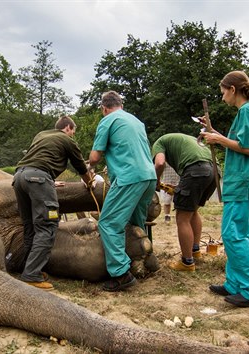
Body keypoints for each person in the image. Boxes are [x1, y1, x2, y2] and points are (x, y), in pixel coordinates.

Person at [201, 71, 249, 308]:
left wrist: (218, 140)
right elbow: (240, 142)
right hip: (247, 184)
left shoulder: (248, 111)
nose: (222, 98)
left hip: (244, 185)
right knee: (243, 235)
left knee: (232, 235)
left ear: (232, 89)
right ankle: (235, 284)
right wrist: (216, 135)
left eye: (222, 92)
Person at [13, 116, 95, 291]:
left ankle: (28, 268)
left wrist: (47, 179)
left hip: (20, 177)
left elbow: (40, 159)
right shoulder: (67, 140)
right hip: (38, 178)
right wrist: (89, 183)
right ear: (68, 127)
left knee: (30, 227)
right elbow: (81, 167)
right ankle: (31, 275)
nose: (73, 134)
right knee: (48, 226)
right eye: (73, 130)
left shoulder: (41, 135)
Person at [89, 91, 157, 292]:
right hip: (148, 176)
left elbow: (94, 157)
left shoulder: (108, 120)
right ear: (121, 104)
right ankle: (143, 263)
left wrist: (88, 166)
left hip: (129, 178)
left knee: (108, 223)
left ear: (104, 107)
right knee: (136, 223)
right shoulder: (136, 121)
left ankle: (120, 274)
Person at [152, 133, 216, 271]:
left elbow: (160, 163)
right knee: (193, 211)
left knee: (182, 218)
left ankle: (187, 263)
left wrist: (156, 181)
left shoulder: (159, 143)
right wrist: (181, 187)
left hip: (196, 170)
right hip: (213, 171)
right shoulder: (183, 140)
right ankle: (195, 251)